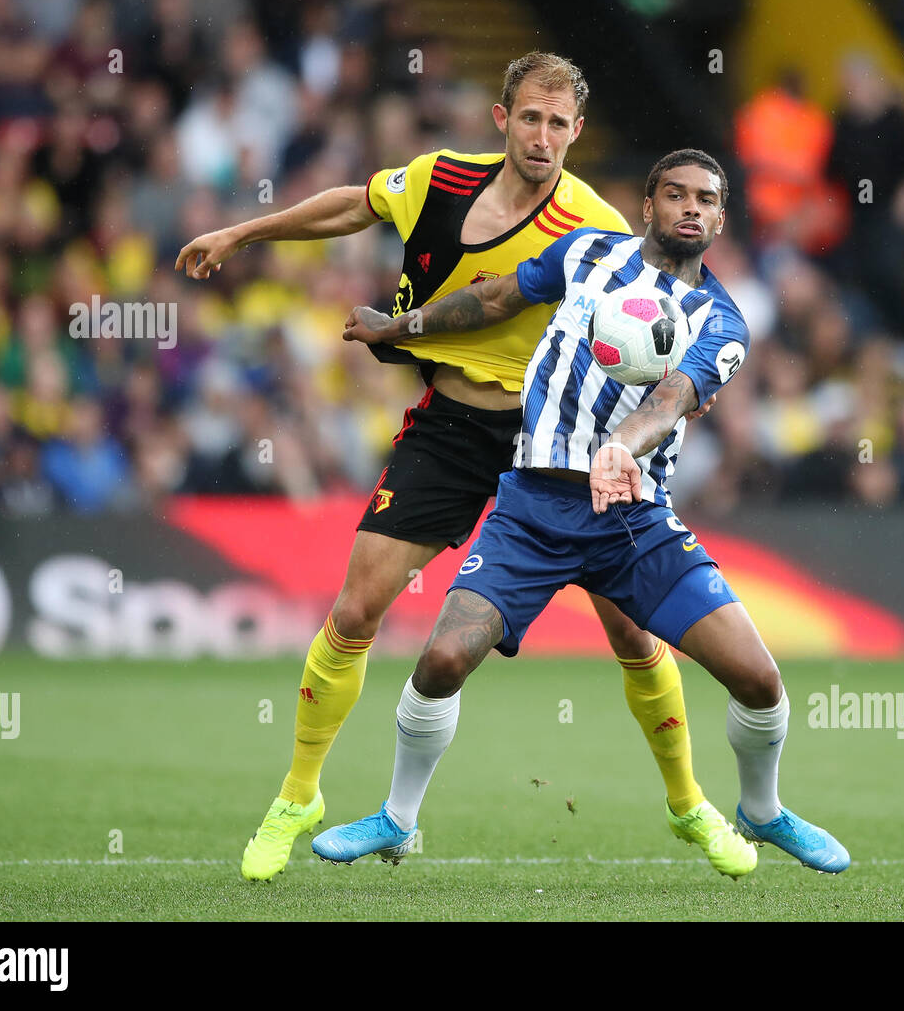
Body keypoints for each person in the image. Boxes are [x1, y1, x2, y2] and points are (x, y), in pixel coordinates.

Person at [175, 53, 749, 881]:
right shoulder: (436, 178)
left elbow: (663, 297)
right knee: (357, 607)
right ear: (501, 118)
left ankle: (689, 804)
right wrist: (243, 230)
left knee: (633, 630)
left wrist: (693, 376)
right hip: (449, 428)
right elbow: (354, 206)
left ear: (576, 133)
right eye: (530, 118)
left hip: (550, 441)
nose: (544, 137)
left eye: (559, 125)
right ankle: (300, 794)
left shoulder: (589, 222)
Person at [316, 149, 851, 875]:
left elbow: (671, 400)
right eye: (675, 195)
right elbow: (499, 298)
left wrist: (621, 448)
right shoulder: (586, 252)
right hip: (533, 504)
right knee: (443, 658)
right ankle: (396, 818)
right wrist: (402, 328)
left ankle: (762, 811)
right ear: (649, 206)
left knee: (759, 681)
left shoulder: (720, 322)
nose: (690, 208)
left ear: (722, 219)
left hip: (634, 519)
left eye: (705, 200)